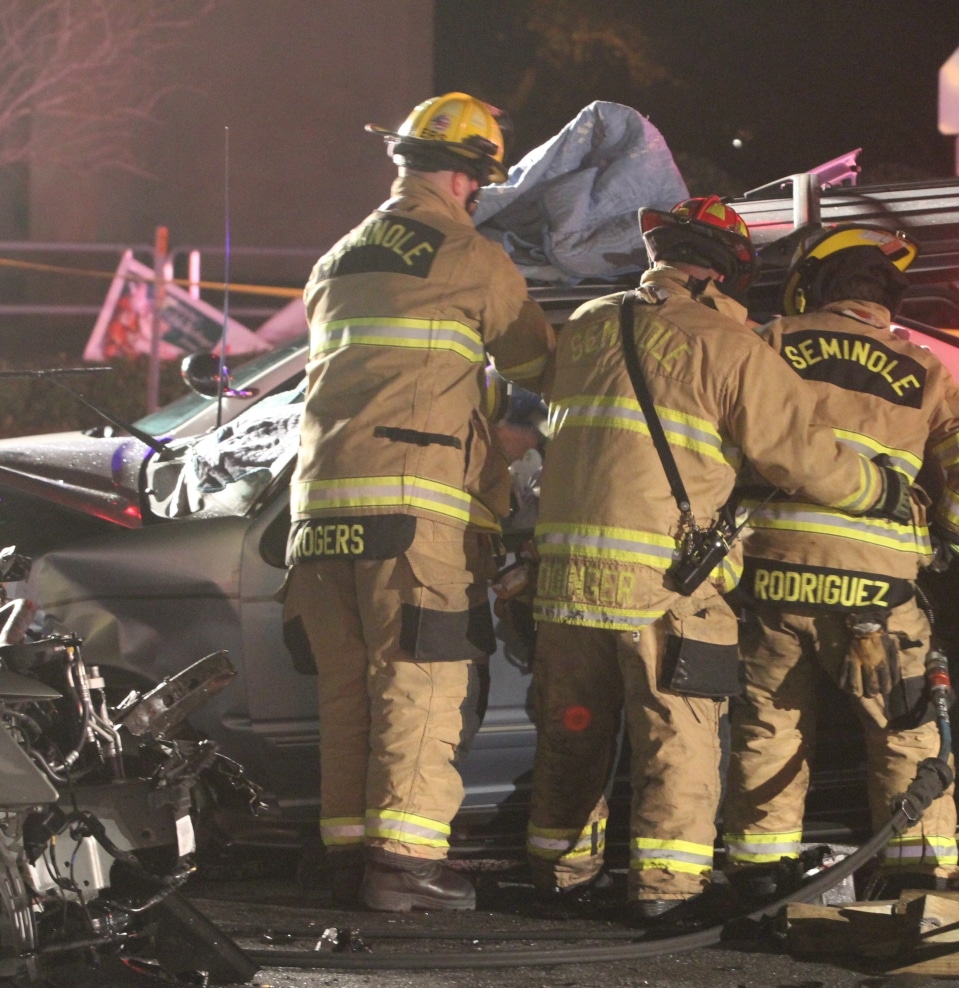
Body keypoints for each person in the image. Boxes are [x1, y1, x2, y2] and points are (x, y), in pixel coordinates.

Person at [521, 196, 913, 924]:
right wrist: (880, 488)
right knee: (679, 736)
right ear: (733, 270)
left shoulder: (587, 326)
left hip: (565, 581)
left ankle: (560, 875)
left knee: (572, 728)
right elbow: (800, 456)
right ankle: (667, 893)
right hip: (665, 583)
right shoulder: (732, 347)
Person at [281, 92, 554, 912]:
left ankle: (350, 856)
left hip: (316, 515)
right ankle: (404, 866)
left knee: (349, 694)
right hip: (409, 512)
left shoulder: (336, 259)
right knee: (419, 685)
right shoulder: (470, 255)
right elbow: (540, 364)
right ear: (469, 178)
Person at [722, 224, 959, 898]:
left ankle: (761, 877)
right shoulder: (923, 369)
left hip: (772, 577)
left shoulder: (773, 342)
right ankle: (918, 879)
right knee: (906, 732)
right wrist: (948, 540)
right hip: (877, 595)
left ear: (814, 287)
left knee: (770, 726)